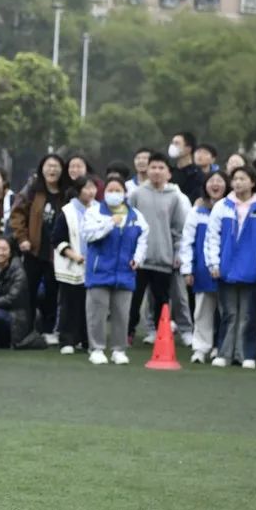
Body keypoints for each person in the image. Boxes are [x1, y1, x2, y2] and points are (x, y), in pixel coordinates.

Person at [205, 166, 256, 369]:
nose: (237, 183)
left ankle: (246, 354)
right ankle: (224, 353)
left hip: (252, 270)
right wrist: (213, 263)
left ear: (253, 182)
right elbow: (212, 236)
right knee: (229, 314)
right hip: (226, 269)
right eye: (235, 179)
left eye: (242, 179)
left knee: (248, 315)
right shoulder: (222, 206)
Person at [83, 175, 149, 366]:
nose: (114, 194)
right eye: (110, 190)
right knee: (97, 313)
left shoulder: (135, 215)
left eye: (117, 190)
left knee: (122, 313)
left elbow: (143, 238)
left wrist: (138, 258)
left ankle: (119, 350)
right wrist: (110, 223)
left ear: (125, 193)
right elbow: (88, 235)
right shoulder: (94, 212)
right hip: (99, 271)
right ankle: (96, 348)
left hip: (125, 272)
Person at [127, 152, 190, 344]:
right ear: (147, 170)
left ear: (168, 173)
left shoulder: (175, 197)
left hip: (164, 258)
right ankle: (128, 332)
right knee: (134, 299)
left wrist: (177, 252)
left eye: (161, 168)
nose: (156, 171)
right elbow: (128, 223)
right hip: (139, 259)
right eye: (153, 167)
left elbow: (178, 228)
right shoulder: (136, 194)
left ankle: (160, 333)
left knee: (162, 301)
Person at [10, 154, 69, 341]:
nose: (52, 170)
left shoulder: (66, 193)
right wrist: (22, 238)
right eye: (48, 166)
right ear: (42, 169)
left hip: (57, 252)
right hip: (33, 250)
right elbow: (17, 214)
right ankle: (26, 329)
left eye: (56, 166)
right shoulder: (33, 190)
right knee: (28, 291)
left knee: (52, 292)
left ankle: (49, 330)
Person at [180, 171, 228, 364]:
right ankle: (200, 348)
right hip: (202, 271)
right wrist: (187, 269)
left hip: (227, 271)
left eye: (220, 181)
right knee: (202, 311)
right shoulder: (197, 211)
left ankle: (221, 348)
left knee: (226, 312)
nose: (215, 184)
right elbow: (187, 242)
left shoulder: (231, 209)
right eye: (211, 181)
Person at [52, 176, 96, 355]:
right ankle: (67, 340)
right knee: (69, 304)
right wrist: (74, 256)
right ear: (78, 190)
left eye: (93, 187)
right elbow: (57, 239)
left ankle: (87, 340)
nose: (91, 191)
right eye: (87, 188)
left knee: (90, 305)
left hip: (93, 267)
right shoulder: (67, 211)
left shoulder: (98, 209)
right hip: (71, 266)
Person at [0, 236, 32, 348]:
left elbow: (11, 299)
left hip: (14, 314)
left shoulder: (18, 271)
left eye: (4, 249)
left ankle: (2, 341)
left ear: (11, 252)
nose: (0, 253)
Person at [169, 132, 205, 203]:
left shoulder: (197, 175)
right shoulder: (169, 171)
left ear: (188, 149)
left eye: (177, 143)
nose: (172, 146)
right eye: (172, 143)